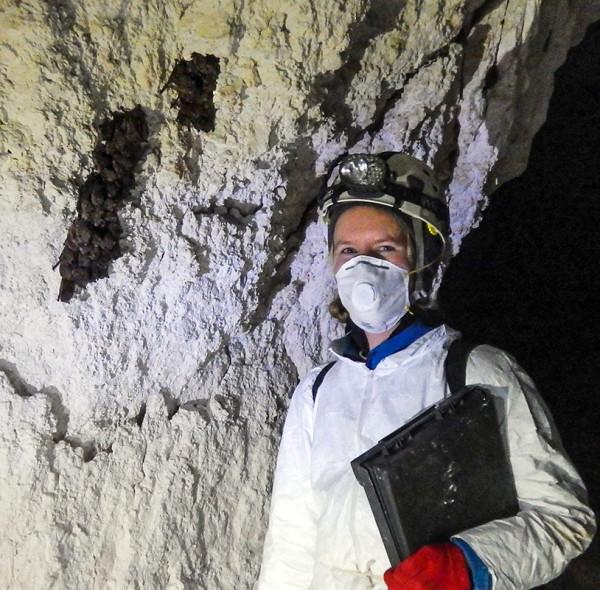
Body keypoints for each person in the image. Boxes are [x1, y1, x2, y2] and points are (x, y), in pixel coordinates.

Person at [256, 152, 596, 590]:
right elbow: (291, 545)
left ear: (422, 256)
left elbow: (563, 519)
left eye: (384, 249)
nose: (363, 268)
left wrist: (468, 564)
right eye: (348, 251)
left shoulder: (476, 372)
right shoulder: (317, 392)